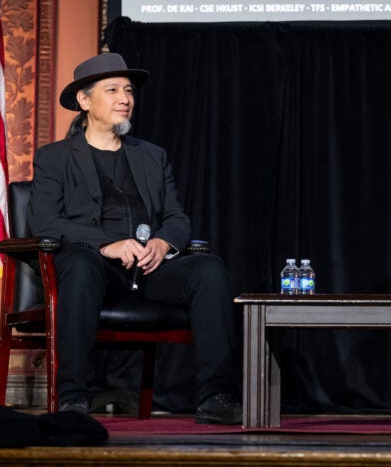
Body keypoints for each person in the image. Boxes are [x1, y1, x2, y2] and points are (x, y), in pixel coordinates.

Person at [27, 53, 242, 424]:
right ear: (84, 100)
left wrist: (163, 243)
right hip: (96, 268)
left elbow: (175, 215)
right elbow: (44, 220)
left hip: (149, 269)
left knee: (208, 269)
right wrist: (104, 244)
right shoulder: (55, 157)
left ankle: (216, 396)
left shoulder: (151, 156)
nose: (124, 98)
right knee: (79, 263)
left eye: (128, 91)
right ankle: (74, 397)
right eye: (112, 90)